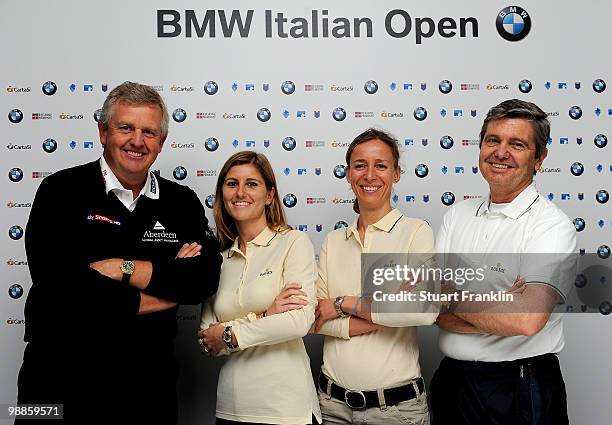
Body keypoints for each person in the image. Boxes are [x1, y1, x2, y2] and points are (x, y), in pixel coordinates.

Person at [16, 82, 221, 424]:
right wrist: (167, 292)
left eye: (149, 132)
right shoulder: (59, 191)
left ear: (162, 142)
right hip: (55, 385)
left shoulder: (180, 201)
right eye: (126, 127)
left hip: (146, 391)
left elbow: (202, 278)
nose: (137, 141)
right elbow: (61, 288)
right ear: (102, 131)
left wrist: (120, 268)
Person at [430, 99, 577, 425]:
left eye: (517, 144)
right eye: (492, 140)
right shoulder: (458, 214)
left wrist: (452, 298)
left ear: (540, 158)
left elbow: (525, 320)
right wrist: (500, 304)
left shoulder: (551, 226)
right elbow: (431, 308)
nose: (500, 152)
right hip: (453, 382)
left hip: (518, 386)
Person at [313, 128, 439, 425]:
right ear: (348, 174)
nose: (369, 175)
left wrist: (343, 303)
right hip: (332, 406)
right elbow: (316, 317)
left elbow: (424, 310)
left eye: (380, 165)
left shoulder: (415, 232)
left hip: (396, 410)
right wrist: (384, 312)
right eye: (360, 165)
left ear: (396, 174)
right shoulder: (334, 241)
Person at [198, 151, 321, 425]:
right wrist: (265, 316)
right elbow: (208, 339)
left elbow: (298, 322)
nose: (240, 192)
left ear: (269, 195)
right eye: (232, 184)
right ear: (222, 194)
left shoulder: (293, 242)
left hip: (285, 410)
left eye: (251, 183)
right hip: (230, 407)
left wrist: (228, 334)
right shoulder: (218, 259)